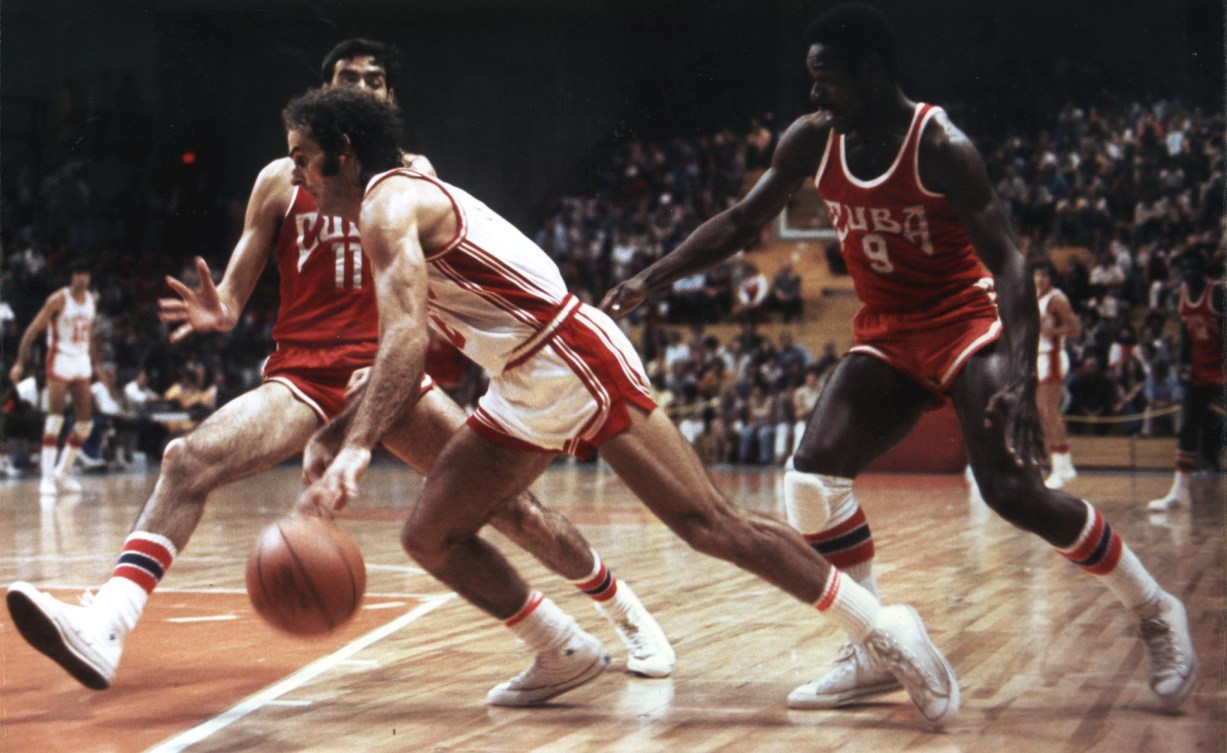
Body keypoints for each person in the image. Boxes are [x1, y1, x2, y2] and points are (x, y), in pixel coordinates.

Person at [5, 38, 672, 694]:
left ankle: (625, 617)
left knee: (514, 511)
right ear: (322, 94)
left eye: (372, 79)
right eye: (345, 77)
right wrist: (221, 310)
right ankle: (106, 625)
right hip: (303, 376)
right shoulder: (282, 179)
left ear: (387, 98)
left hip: (388, 374)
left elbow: (434, 297)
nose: (358, 87)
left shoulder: (413, 177)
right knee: (186, 458)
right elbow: (236, 293)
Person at [285, 85, 960, 726]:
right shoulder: (393, 198)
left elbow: (404, 335)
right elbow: (411, 343)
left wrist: (354, 446)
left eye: (302, 159)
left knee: (708, 524)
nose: (297, 176)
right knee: (430, 534)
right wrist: (345, 428)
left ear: (343, 150)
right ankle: (561, 648)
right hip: (522, 379)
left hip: (570, 355)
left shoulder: (385, 205)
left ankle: (882, 630)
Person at [600, 4, 1196, 713]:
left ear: (873, 73)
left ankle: (1155, 606)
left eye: (827, 80)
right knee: (810, 482)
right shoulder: (811, 139)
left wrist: (1012, 371)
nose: (814, 94)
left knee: (1008, 491)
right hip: (887, 329)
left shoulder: (940, 143)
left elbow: (1008, 260)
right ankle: (873, 648)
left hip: (963, 321)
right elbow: (738, 223)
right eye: (810, 80)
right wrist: (649, 277)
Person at [8, 259, 101, 495]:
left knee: (85, 424)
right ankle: (46, 478)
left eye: (85, 274)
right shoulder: (58, 300)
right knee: (55, 418)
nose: (82, 278)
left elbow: (89, 335)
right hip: (60, 358)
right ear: (72, 277)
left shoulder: (91, 301)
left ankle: (63, 470)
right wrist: (20, 361)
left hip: (81, 361)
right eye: (78, 273)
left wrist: (95, 362)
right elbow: (32, 330)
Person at [1148, 245, 1225, 510]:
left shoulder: (1218, 293)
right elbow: (1185, 339)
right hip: (1199, 371)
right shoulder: (1179, 296)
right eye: (1185, 268)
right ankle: (1178, 491)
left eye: (1194, 266)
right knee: (1187, 429)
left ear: (1203, 269)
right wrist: (1181, 364)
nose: (1189, 271)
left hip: (1222, 369)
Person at [1033, 260, 1081, 487]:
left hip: (1052, 356)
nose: (1040, 279)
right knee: (1044, 414)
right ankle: (1062, 464)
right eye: (1037, 275)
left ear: (1051, 278)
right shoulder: (1035, 297)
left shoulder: (1057, 299)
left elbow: (1076, 330)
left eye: (1044, 275)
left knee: (1050, 412)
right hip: (1038, 357)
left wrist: (1052, 331)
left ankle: (1062, 467)